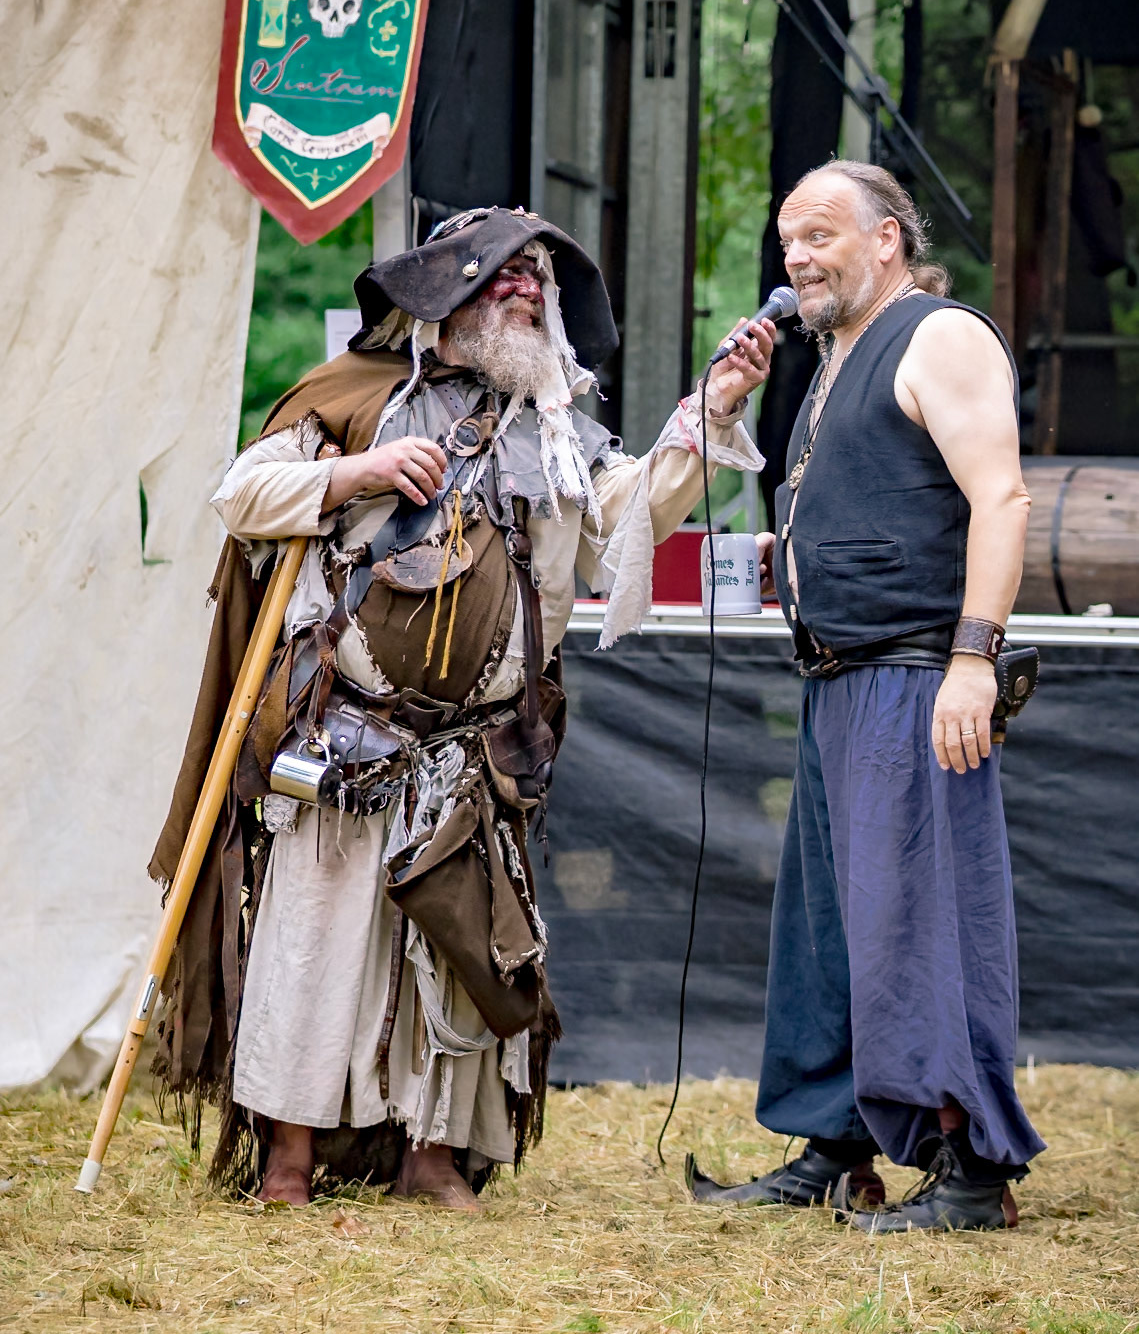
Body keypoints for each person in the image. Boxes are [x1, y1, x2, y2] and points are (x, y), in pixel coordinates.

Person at [149, 206, 773, 1211]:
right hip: (350, 737)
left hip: (475, 755)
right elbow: (240, 494)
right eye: (502, 278)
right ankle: (287, 1161)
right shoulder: (354, 400)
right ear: (445, 298)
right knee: (316, 949)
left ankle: (433, 1155)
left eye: (537, 281)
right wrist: (355, 471)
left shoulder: (561, 435)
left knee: (454, 953)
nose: (525, 290)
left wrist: (711, 412)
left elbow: (632, 518)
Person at [686, 162, 1045, 1232]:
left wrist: (972, 658)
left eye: (818, 234)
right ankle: (835, 1143)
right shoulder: (834, 358)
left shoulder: (936, 334)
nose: (794, 255)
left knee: (917, 924)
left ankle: (972, 1168)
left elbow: (1002, 496)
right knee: (832, 929)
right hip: (837, 679)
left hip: (913, 676)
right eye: (785, 239)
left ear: (885, 238)